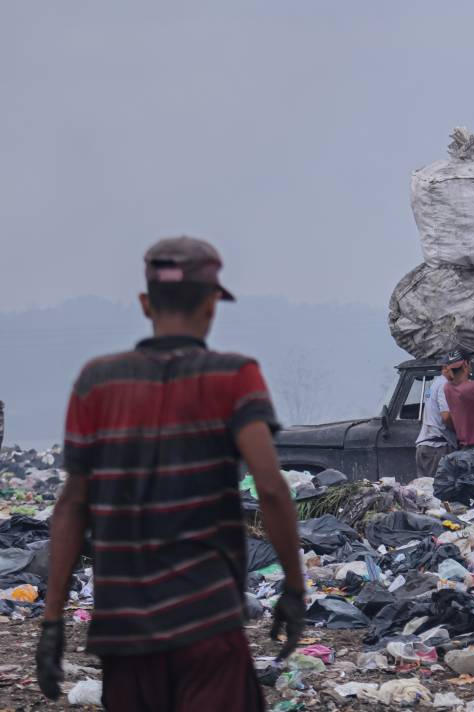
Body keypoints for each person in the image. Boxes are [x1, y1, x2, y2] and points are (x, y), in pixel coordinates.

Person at [36, 237, 305, 711]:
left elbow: (72, 506)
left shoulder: (97, 381)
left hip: (124, 632)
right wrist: (294, 587)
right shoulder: (233, 376)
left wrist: (53, 619)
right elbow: (271, 488)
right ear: (211, 304)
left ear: (145, 303)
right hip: (207, 624)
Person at [414, 359, 457, 477]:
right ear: (445, 367)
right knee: (439, 491)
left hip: (425, 446)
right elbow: (446, 416)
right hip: (437, 447)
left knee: (425, 491)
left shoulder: (434, 384)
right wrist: (459, 431)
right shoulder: (445, 385)